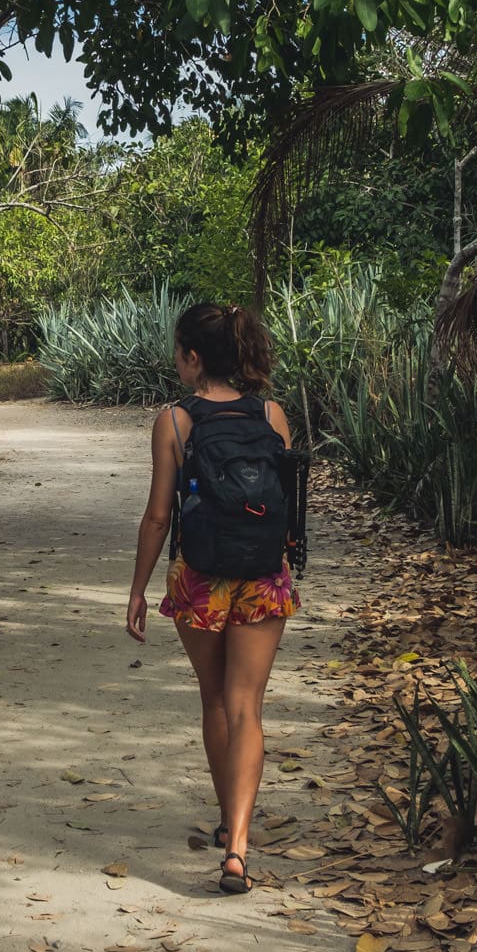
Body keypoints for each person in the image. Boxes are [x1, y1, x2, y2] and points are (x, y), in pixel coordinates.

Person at [124, 301, 299, 895]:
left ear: (194, 358)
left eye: (179, 352)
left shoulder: (174, 421)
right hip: (262, 574)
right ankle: (240, 847)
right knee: (248, 703)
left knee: (215, 700)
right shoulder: (273, 413)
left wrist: (139, 589)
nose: (176, 362)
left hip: (198, 578)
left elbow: (156, 516)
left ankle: (227, 818)